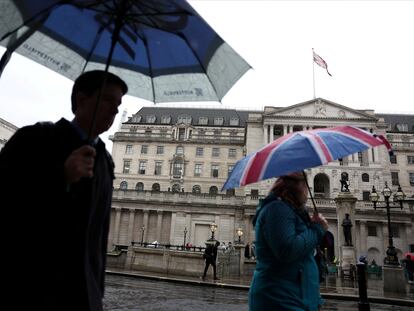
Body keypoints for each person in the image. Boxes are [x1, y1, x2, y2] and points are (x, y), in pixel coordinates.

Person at [0, 70, 128, 311]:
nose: (115, 110)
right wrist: (60, 176)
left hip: (83, 295)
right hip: (30, 288)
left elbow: (98, 235)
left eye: (119, 103)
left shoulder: (105, 162)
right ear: (81, 100)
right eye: (108, 99)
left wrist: (96, 292)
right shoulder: (34, 139)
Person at [248, 172, 328, 311]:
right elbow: (287, 250)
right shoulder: (277, 209)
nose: (307, 192)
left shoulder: (291, 211)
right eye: (306, 185)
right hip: (280, 298)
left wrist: (314, 300)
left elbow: (303, 258)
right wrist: (317, 229)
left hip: (294, 297)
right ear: (298, 186)